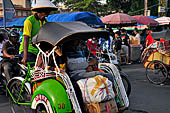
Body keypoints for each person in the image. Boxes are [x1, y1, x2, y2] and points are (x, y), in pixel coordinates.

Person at [19, 0, 57, 66]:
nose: (48, 13)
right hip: (29, 51)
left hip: (39, 51)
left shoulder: (46, 22)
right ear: (40, 10)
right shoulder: (29, 21)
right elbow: (26, 39)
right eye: (47, 11)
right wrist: (25, 57)